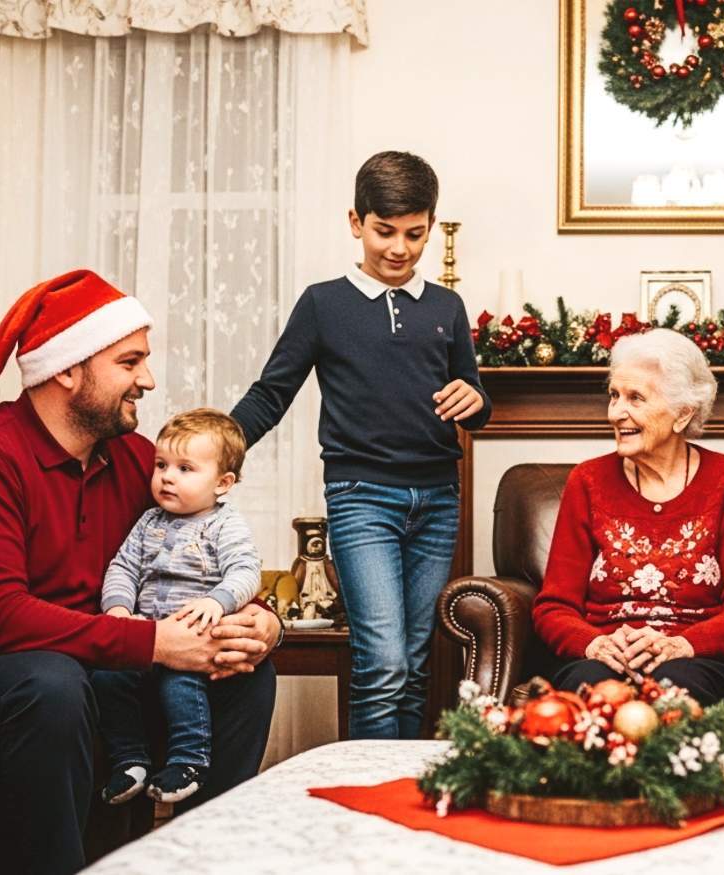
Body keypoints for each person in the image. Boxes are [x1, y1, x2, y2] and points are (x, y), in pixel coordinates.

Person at [0, 270, 280, 875]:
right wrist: (154, 642)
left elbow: (198, 545)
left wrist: (258, 623)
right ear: (67, 371)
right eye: (130, 362)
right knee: (53, 681)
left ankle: (203, 862)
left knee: (241, 670)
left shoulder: (137, 460)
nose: (148, 379)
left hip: (79, 656)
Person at [230, 151, 491, 740]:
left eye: (414, 234)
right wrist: (219, 445)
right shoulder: (323, 304)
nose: (399, 248)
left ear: (430, 225)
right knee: (383, 663)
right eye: (384, 231)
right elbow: (272, 393)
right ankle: (364, 787)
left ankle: (400, 787)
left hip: (438, 501)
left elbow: (473, 396)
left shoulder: (447, 307)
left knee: (416, 666)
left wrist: (476, 400)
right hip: (361, 498)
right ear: (356, 222)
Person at [532, 328, 724, 705]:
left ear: (682, 414)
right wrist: (595, 643)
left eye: (635, 398)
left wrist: (680, 644)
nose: (616, 413)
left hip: (699, 658)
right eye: (614, 396)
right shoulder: (588, 481)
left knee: (671, 686)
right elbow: (553, 607)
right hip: (606, 654)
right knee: (591, 687)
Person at [92, 408, 261, 806]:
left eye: (185, 469)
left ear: (222, 483)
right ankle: (130, 760)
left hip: (192, 638)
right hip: (145, 636)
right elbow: (123, 567)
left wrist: (217, 600)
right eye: (161, 465)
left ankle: (189, 761)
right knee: (107, 679)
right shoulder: (149, 522)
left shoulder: (224, 525)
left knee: (179, 684)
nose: (167, 477)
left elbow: (246, 571)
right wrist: (118, 609)